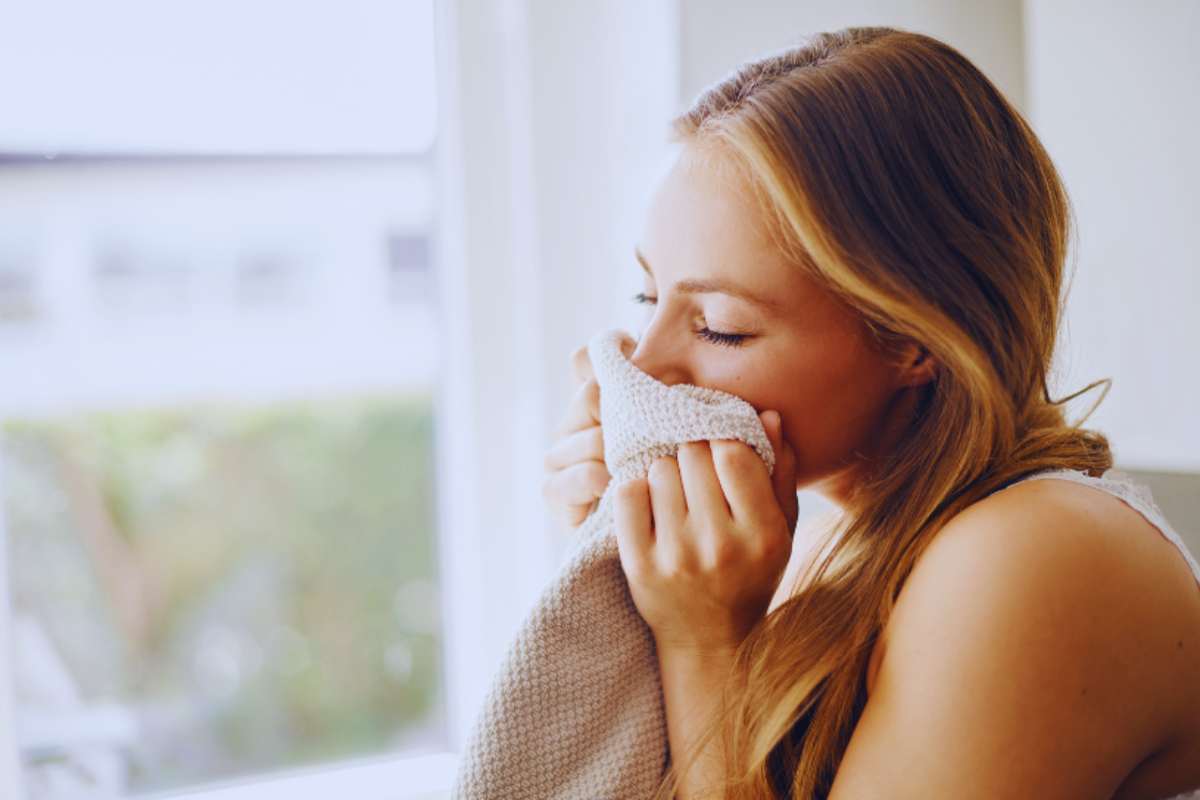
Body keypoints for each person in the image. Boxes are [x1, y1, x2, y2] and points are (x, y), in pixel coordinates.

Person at [540, 26, 1200, 800]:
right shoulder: (820, 555)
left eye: (720, 323)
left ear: (913, 338)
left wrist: (702, 644)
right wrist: (624, 573)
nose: (644, 365)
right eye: (649, 297)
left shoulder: (1037, 553)